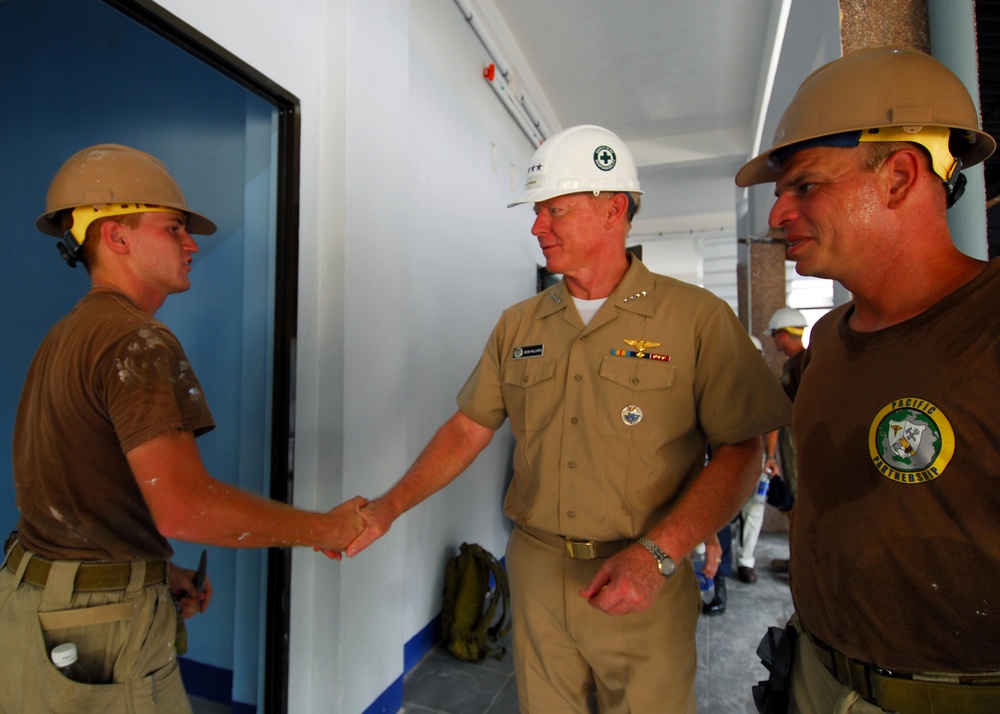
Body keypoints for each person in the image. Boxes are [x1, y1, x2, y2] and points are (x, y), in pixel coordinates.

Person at [347, 124, 792, 713]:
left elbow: (742, 451)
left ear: (613, 211)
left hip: (642, 577)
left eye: (554, 210)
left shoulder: (695, 319)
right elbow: (467, 429)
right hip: (537, 572)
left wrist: (661, 553)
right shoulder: (520, 325)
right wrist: (388, 506)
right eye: (537, 212)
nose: (537, 227)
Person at [0, 144, 367, 713]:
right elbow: (184, 508)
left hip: (31, 604)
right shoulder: (138, 341)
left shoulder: (68, 334)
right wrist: (325, 529)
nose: (192, 244)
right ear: (117, 236)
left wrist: (152, 570)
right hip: (101, 627)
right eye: (174, 228)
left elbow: (74, 494)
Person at [736, 46, 1000, 714]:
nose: (777, 215)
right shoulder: (827, 341)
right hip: (816, 678)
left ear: (898, 176)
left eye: (805, 185)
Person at [765, 307, 806, 574]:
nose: (774, 341)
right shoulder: (794, 363)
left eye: (775, 335)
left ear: (783, 334)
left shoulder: (803, 362)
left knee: (798, 497)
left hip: (797, 436)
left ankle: (802, 564)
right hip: (790, 434)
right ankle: (797, 560)